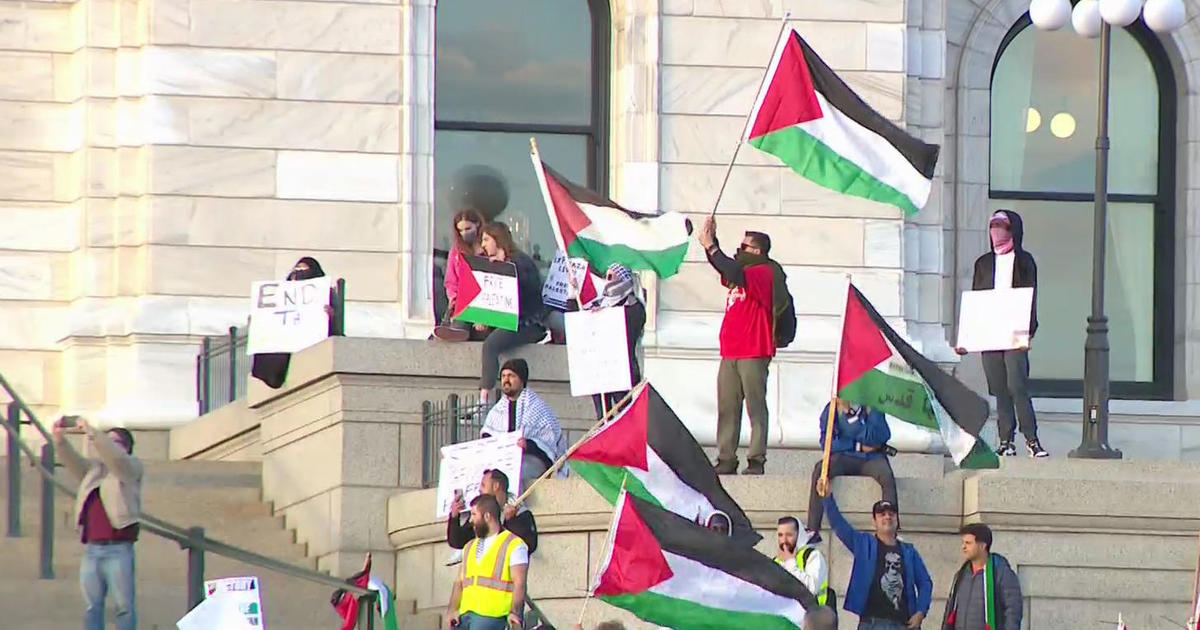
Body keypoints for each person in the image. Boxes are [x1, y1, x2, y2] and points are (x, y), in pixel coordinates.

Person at [697, 216, 789, 476]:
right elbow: (726, 269)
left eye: (744, 247)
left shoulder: (765, 272)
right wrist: (710, 243)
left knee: (756, 408)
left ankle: (756, 459)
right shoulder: (744, 272)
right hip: (731, 351)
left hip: (754, 350)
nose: (740, 250)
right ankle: (726, 458)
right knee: (727, 407)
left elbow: (732, 270)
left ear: (757, 251)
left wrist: (712, 247)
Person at [957, 210, 1048, 458]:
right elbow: (978, 301)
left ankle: (1032, 438)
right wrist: (968, 338)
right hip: (990, 335)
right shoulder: (984, 264)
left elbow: (1030, 299)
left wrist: (1027, 332)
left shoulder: (1024, 261)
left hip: (1014, 335)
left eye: (1002, 226)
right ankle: (1006, 440)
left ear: (1013, 230)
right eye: (993, 225)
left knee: (1017, 385)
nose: (996, 231)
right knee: (999, 389)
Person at [52, 417, 144, 630]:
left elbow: (117, 460)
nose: (106, 446)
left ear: (127, 448)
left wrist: (94, 433)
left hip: (118, 548)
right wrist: (60, 441)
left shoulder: (130, 467)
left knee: (124, 607)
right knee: (92, 607)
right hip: (92, 549)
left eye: (115, 442)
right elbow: (73, 462)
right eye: (106, 440)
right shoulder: (94, 471)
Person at [821, 488, 933, 630]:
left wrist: (920, 612)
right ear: (874, 521)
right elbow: (839, 525)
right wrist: (827, 498)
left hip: (903, 624)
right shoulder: (863, 544)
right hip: (871, 623)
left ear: (897, 520)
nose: (887, 517)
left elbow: (925, 582)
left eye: (892, 514)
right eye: (882, 514)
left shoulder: (909, 551)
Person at [476, 222, 547, 405]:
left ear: (497, 239)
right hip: (508, 321)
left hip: (528, 323)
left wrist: (505, 268)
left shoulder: (520, 262)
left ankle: (483, 400)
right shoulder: (493, 263)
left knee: (490, 345)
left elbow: (520, 296)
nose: (483, 245)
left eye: (486, 239)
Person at [807, 399, 898, 543]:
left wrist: (851, 418)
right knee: (820, 469)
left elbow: (875, 438)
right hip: (844, 458)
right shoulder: (833, 408)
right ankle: (812, 530)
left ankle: (891, 528)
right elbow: (827, 443)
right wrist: (857, 446)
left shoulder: (873, 406)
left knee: (886, 475)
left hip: (871, 459)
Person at [250, 256, 339, 388]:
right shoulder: (281, 294)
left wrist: (330, 316)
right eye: (297, 270)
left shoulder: (325, 294)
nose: (299, 274)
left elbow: (334, 330)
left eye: (304, 270)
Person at [445, 494, 529, 630]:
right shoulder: (469, 547)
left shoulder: (514, 544)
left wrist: (515, 613)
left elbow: (520, 583)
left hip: (492, 617)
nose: (471, 520)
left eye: (474, 514)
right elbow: (459, 583)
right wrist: (452, 610)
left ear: (487, 516)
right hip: (464, 617)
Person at [481, 359, 567, 490]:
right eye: (503, 376)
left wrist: (528, 445)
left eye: (511, 376)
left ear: (522, 380)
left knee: (517, 472)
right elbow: (486, 439)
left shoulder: (538, 408)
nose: (506, 380)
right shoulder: (496, 411)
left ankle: (519, 509)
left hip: (530, 459)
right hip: (501, 461)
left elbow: (549, 443)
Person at [582, 263, 646, 418]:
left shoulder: (634, 306)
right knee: (602, 417)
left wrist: (605, 316)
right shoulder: (600, 303)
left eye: (611, 277)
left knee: (626, 415)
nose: (607, 281)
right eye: (606, 276)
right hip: (600, 370)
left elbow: (628, 332)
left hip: (623, 371)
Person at [445, 469, 538, 565]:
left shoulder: (520, 512)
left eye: (483, 485)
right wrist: (454, 516)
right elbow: (458, 541)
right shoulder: (479, 513)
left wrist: (510, 521)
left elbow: (528, 545)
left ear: (496, 486)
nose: (479, 489)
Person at [941, 523, 1022, 630]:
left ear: (982, 546)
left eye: (968, 543)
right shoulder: (961, 575)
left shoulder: (1000, 573)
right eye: (963, 543)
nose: (963, 547)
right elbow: (950, 609)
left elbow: (1013, 610)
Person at [436, 209, 486, 342]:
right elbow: (451, 281)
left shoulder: (487, 247)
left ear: (478, 225)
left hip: (485, 300)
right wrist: (454, 299)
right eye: (461, 230)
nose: (464, 233)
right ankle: (457, 330)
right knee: (459, 313)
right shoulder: (456, 251)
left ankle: (458, 330)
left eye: (468, 228)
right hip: (462, 300)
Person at [774, 516, 830, 608]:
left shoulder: (812, 556)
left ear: (799, 535)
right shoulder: (777, 560)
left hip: (812, 617)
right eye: (780, 535)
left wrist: (790, 563)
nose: (784, 540)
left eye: (789, 535)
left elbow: (811, 588)